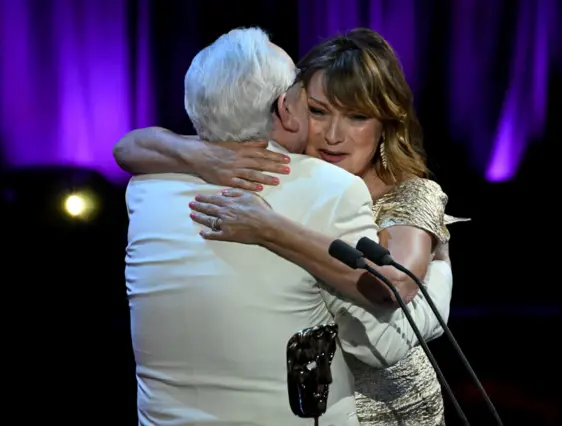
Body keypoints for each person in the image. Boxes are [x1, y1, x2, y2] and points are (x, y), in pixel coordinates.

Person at [116, 28, 466, 425]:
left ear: (385, 123)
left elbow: (393, 290)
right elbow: (127, 147)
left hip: (395, 411)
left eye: (357, 117)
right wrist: (198, 154)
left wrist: (269, 227)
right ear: (291, 110)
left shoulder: (407, 192)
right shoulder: (300, 183)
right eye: (318, 111)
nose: (333, 136)